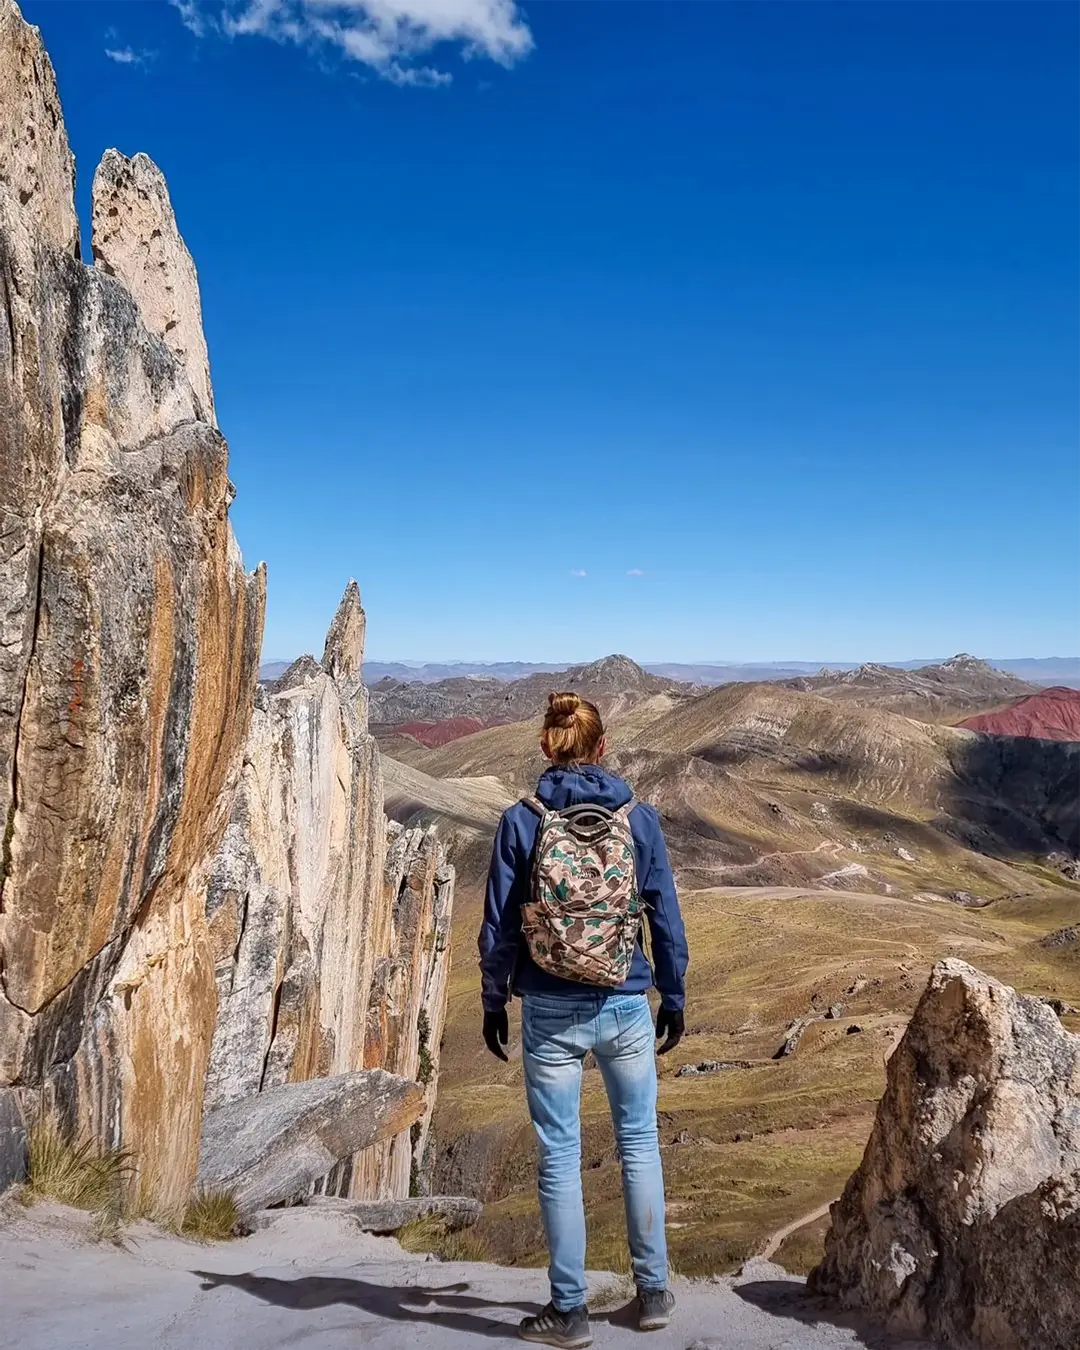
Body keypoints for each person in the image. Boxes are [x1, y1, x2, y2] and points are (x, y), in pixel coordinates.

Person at [478, 692, 690, 1349]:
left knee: (559, 1157)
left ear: (547, 746)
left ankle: (569, 1311)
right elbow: (665, 914)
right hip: (626, 1003)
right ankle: (651, 1292)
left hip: (548, 1005)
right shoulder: (641, 819)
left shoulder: (522, 820)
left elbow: (498, 927)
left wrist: (493, 1000)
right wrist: (672, 994)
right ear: (602, 749)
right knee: (638, 1144)